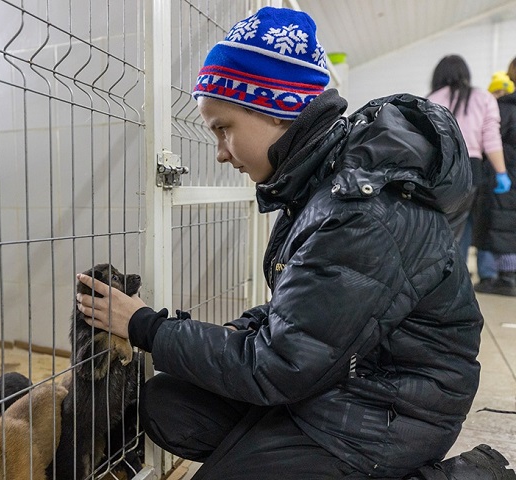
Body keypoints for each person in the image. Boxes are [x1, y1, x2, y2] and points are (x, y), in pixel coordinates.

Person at [76, 7, 516, 479]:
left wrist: (147, 327)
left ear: (277, 110)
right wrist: (234, 332)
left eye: (224, 128)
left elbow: (280, 365)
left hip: (391, 408)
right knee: (168, 404)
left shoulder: (359, 212)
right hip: (342, 373)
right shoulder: (320, 182)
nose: (221, 153)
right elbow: (305, 315)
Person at [427, 55, 511, 264]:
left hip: (438, 168)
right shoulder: (483, 98)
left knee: (439, 225)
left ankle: (436, 273)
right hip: (471, 169)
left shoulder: (432, 98)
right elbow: (491, 138)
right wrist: (501, 172)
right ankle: (453, 274)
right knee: (461, 227)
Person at [474, 66, 516, 296]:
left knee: (495, 224)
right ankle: (508, 275)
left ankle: (496, 277)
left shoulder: (502, 108)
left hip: (500, 175)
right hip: (506, 175)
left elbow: (488, 140)